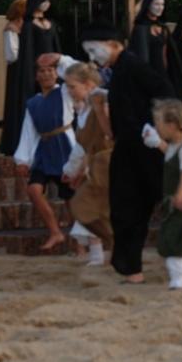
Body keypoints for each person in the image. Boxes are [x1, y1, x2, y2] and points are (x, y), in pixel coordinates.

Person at [80, 21, 174, 284]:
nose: (92, 57)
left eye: (94, 50)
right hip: (126, 148)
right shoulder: (118, 71)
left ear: (114, 45)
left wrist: (157, 129)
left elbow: (165, 93)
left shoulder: (134, 66)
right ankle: (132, 270)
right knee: (125, 207)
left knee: (172, 200)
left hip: (148, 146)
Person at [14, 53, 77, 251]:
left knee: (70, 199)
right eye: (42, 71)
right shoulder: (33, 103)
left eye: (50, 70)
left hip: (64, 148)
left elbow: (76, 72)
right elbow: (28, 131)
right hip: (43, 150)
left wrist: (60, 59)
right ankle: (55, 232)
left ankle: (81, 244)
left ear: (57, 74)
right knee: (34, 190)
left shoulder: (65, 92)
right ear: (36, 76)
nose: (46, 74)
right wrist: (22, 160)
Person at [141, 99, 182, 289]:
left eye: (159, 123)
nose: (156, 127)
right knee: (176, 237)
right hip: (175, 201)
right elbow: (170, 154)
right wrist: (157, 143)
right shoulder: (175, 146)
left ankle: (178, 280)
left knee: (174, 239)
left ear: (172, 125)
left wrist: (179, 197)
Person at [63, 62, 113, 266]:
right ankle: (99, 254)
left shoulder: (103, 102)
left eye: (72, 86)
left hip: (108, 163)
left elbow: (110, 133)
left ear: (88, 84)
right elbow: (85, 148)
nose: (69, 91)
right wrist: (74, 170)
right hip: (93, 166)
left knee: (95, 207)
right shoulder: (83, 110)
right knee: (88, 208)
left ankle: (103, 254)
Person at [1, 0, 61, 156]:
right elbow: (26, 53)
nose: (47, 4)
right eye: (43, 0)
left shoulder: (51, 24)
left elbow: (56, 48)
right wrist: (32, 74)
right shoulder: (27, 26)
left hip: (51, 71)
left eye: (48, 0)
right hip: (35, 72)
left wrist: (58, 69)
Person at [129, 0, 170, 78]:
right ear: (148, 5)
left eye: (162, 4)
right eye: (156, 4)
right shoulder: (140, 28)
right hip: (146, 73)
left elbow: (164, 54)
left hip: (161, 73)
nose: (160, 8)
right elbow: (139, 55)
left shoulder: (163, 28)